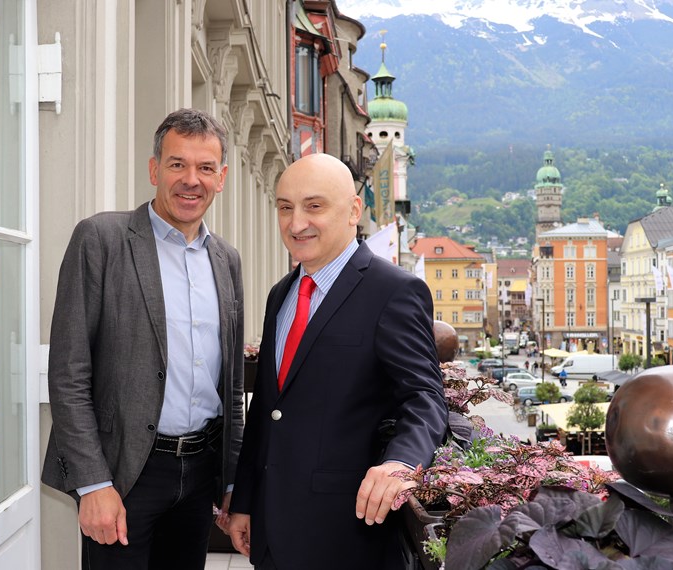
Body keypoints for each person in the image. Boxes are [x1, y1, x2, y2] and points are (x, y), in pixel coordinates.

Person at [41, 108, 245, 570]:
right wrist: (93, 484)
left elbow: (230, 387)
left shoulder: (226, 260)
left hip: (199, 474)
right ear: (155, 169)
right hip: (125, 474)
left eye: (205, 167)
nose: (191, 180)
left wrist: (233, 482)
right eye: (177, 164)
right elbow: (69, 373)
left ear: (221, 177)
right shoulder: (102, 240)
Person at [227, 153, 449, 569]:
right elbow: (269, 409)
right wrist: (245, 501)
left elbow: (424, 398)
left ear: (353, 210)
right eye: (285, 207)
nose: (296, 224)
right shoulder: (282, 294)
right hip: (274, 532)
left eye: (314, 206)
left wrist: (401, 464)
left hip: (346, 537)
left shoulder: (395, 291)